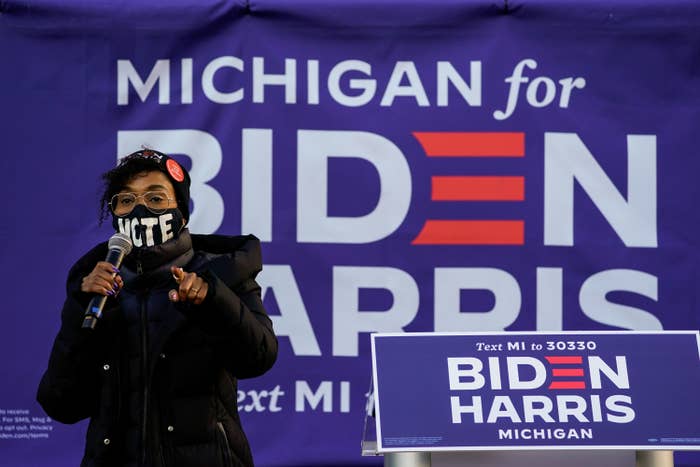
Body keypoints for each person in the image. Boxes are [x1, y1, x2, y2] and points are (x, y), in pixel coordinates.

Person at [37, 149, 278, 467]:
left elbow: (258, 358)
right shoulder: (96, 285)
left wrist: (211, 302)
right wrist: (82, 308)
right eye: (126, 200)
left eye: (155, 199)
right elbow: (62, 404)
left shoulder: (222, 274)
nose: (139, 210)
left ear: (181, 211)